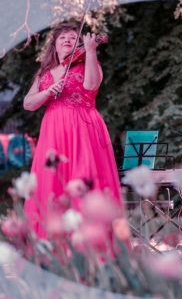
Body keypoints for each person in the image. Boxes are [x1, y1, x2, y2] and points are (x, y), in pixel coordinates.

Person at [23, 23, 123, 239]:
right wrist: (48, 92)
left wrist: (91, 50)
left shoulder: (86, 61)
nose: (68, 40)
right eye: (62, 38)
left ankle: (91, 243)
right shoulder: (45, 73)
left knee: (85, 178)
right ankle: (54, 244)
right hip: (54, 130)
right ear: (55, 45)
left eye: (72, 37)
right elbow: (29, 103)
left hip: (83, 126)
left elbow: (90, 85)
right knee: (52, 181)